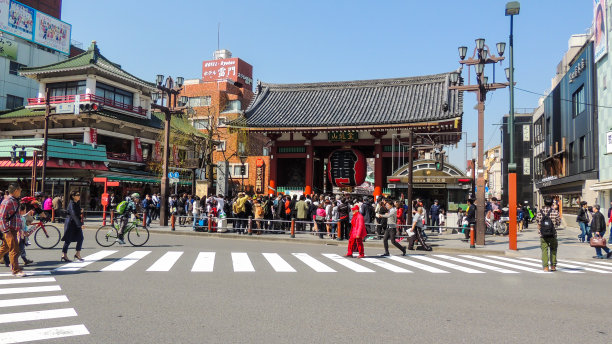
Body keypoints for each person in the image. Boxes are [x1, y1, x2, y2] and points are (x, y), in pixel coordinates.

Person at [0, 184, 25, 277]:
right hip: (9, 230)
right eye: (20, 190)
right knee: (14, 249)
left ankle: (15, 267)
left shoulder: (14, 200)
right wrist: (6, 232)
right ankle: (16, 270)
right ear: (15, 191)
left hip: (13, 229)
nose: (20, 192)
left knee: (5, 248)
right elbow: (1, 217)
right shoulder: (8, 201)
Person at [536, 198, 561, 272]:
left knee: (544, 250)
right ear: (551, 204)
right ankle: (553, 266)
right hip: (553, 234)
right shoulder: (555, 212)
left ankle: (545, 267)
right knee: (553, 249)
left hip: (543, 234)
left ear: (544, 203)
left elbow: (538, 222)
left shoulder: (540, 212)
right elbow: (558, 222)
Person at [61, 191, 85, 262]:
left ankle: (78, 254)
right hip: (71, 223)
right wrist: (80, 225)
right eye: (77, 195)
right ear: (73, 196)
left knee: (80, 238)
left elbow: (76, 214)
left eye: (79, 194)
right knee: (68, 239)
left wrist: (80, 211)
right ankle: (64, 255)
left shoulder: (76, 203)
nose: (79, 196)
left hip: (75, 223)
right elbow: (73, 215)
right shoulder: (71, 204)